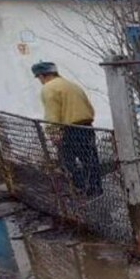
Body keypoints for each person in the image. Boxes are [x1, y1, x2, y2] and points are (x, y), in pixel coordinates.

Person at [33, 61, 102, 197]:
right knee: (90, 161)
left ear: (42, 76)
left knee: (68, 163)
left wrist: (53, 133)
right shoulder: (72, 85)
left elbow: (52, 113)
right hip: (86, 127)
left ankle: (81, 189)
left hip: (69, 130)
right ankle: (96, 189)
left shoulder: (49, 88)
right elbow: (89, 107)